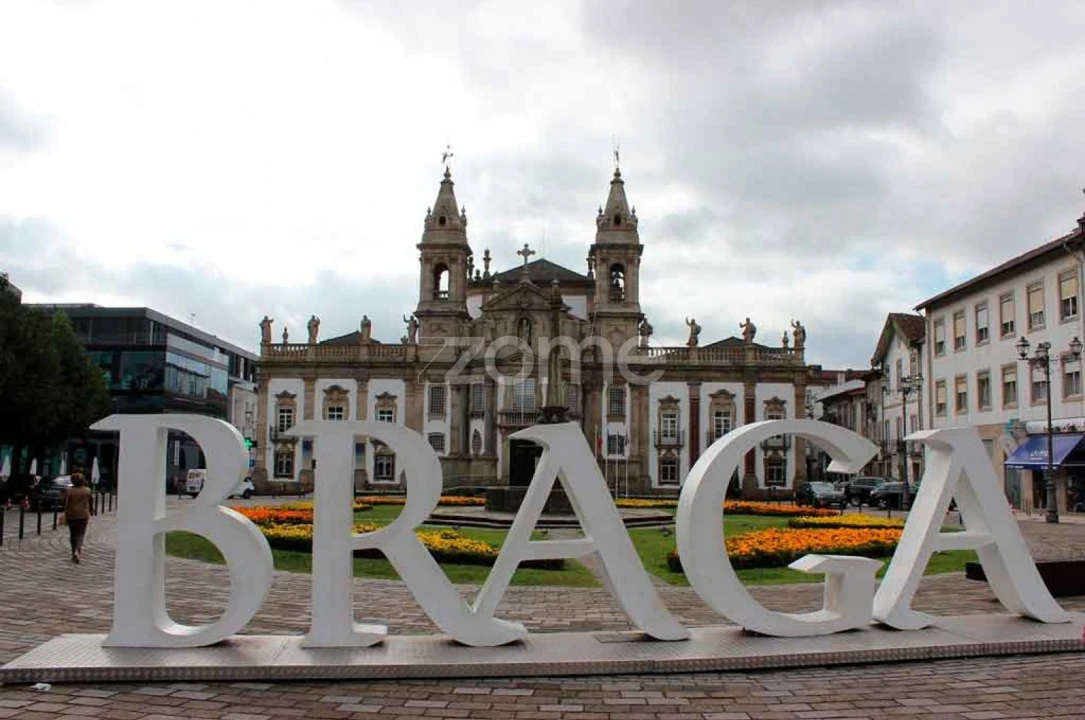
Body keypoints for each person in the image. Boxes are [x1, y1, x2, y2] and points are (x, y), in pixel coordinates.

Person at [63, 472, 92, 563]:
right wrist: (91, 510)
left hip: (71, 515)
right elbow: (91, 501)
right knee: (81, 534)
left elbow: (65, 503)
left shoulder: (69, 491)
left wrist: (65, 512)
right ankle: (77, 551)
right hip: (83, 515)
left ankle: (73, 552)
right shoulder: (87, 490)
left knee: (73, 534)